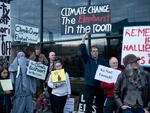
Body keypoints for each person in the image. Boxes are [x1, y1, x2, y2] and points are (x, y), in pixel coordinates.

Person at [79, 33, 106, 113]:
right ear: (90, 53)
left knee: (100, 105)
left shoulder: (102, 61)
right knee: (89, 104)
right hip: (90, 86)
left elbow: (107, 72)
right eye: (93, 51)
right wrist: (83, 40)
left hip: (100, 86)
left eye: (96, 51)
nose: (95, 52)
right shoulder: (87, 60)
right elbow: (83, 52)